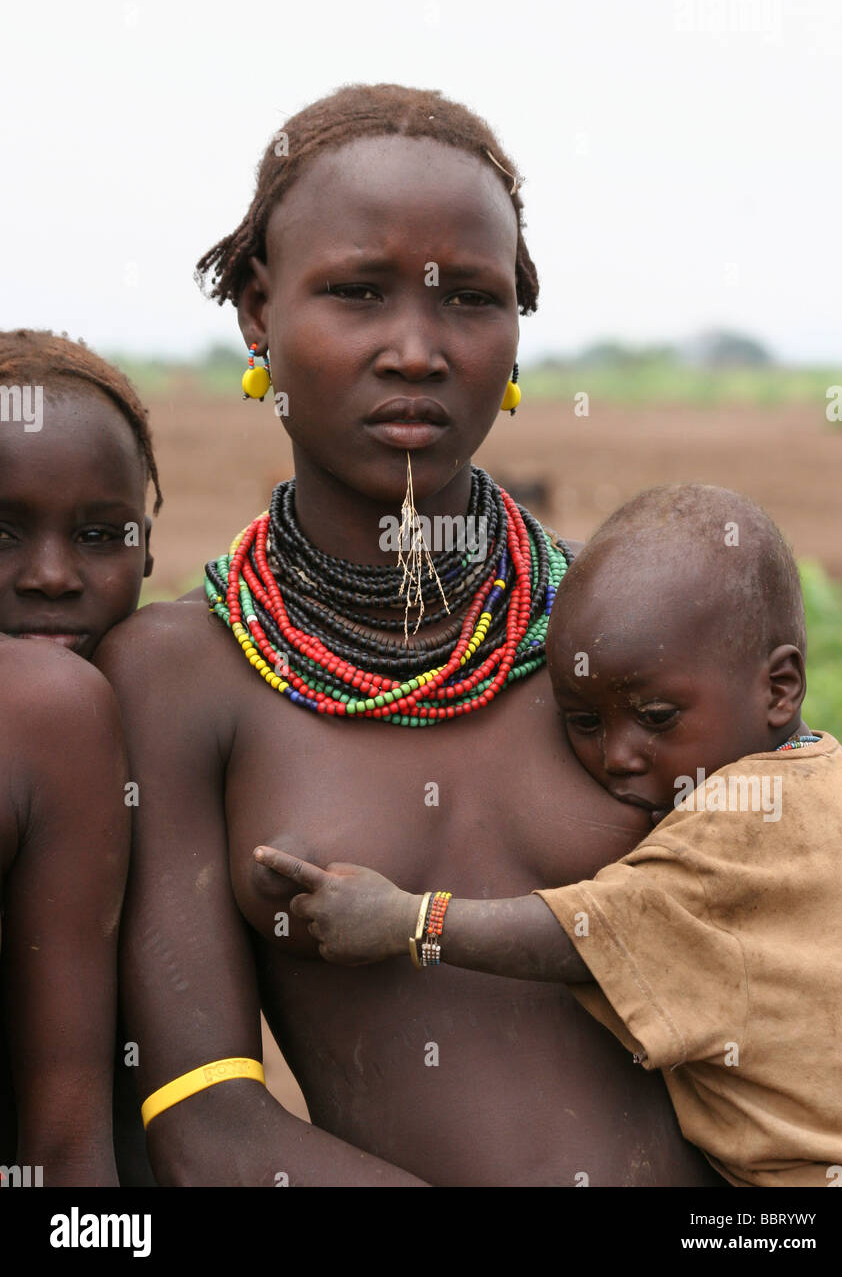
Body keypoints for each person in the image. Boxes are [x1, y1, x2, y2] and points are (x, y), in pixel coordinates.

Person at [97, 84, 722, 1186]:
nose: (416, 349)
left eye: (469, 300)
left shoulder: (630, 627)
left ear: (518, 330)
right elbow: (206, 1125)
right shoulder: (178, 676)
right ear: (256, 310)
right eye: (356, 293)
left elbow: (801, 949)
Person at [258, 485, 842, 1188]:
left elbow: (583, 933)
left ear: (780, 688)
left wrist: (408, 921)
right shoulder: (836, 782)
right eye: (584, 723)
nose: (620, 755)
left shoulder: (739, 819)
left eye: (657, 716)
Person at [0, 329, 161, 1185]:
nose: (53, 575)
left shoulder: (175, 717)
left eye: (101, 537)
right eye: (2, 532)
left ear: (148, 546)